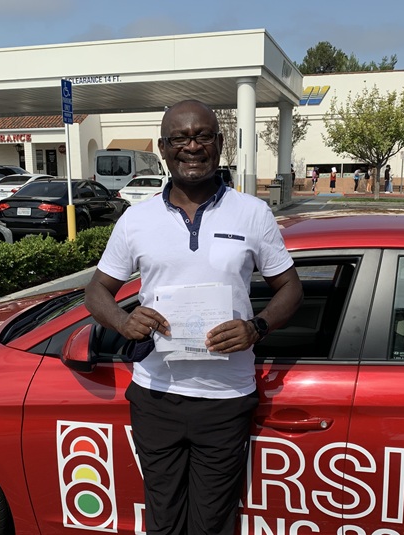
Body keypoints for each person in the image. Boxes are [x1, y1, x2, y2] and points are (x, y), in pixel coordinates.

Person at [84, 99, 304, 535]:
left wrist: (256, 327)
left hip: (226, 399)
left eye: (202, 136)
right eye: (180, 138)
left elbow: (291, 288)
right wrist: (122, 322)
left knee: (213, 523)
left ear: (219, 144)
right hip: (156, 396)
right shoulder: (136, 219)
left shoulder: (253, 213)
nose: (192, 146)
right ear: (164, 148)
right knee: (163, 521)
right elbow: (97, 291)